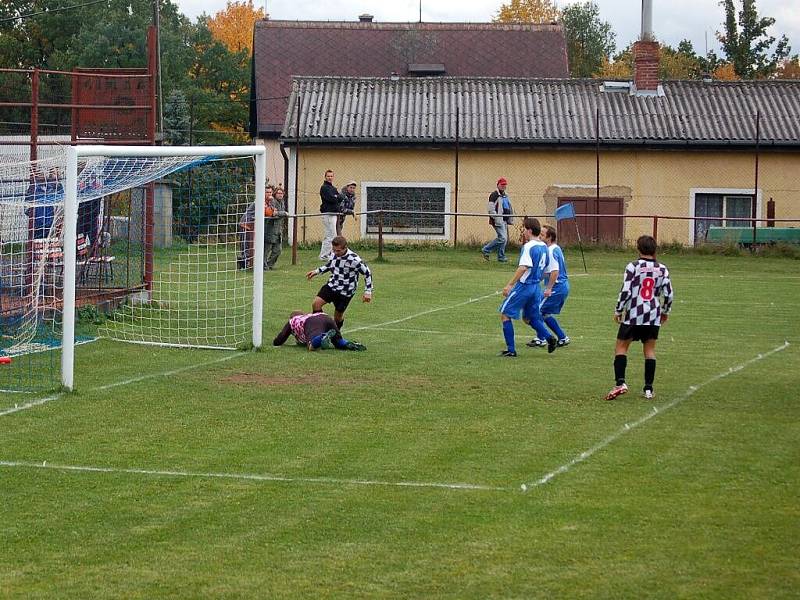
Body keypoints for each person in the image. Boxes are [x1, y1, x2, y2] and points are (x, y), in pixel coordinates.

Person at [605, 235, 673, 401]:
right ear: (654, 249)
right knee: (649, 350)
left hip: (634, 314)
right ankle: (648, 388)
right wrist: (665, 311)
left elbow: (626, 291)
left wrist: (619, 310)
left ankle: (620, 383)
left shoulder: (633, 267)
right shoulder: (662, 269)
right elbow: (669, 293)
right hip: (653, 315)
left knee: (621, 347)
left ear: (638, 248)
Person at [497, 217, 557, 357]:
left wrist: (510, 285)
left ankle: (511, 350)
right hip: (536, 287)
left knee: (505, 314)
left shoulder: (528, 246)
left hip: (524, 287)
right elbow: (546, 270)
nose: (523, 231)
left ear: (529, 230)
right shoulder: (543, 246)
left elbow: (523, 267)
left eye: (524, 228)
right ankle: (549, 338)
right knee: (529, 318)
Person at [306, 236, 372, 331]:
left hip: (345, 291)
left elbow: (367, 273)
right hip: (332, 285)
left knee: (338, 317)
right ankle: (319, 329)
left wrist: (368, 291)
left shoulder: (354, 260)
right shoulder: (334, 254)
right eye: (334, 250)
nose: (336, 253)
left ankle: (335, 335)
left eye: (338, 251)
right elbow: (330, 265)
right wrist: (316, 271)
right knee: (316, 304)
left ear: (345, 248)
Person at [527, 224, 571, 348]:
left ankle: (541, 339)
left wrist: (549, 288)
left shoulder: (550, 251)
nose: (540, 237)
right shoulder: (556, 248)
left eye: (542, 235)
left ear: (549, 237)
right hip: (562, 286)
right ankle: (562, 337)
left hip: (557, 287)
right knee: (544, 312)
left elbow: (555, 271)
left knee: (536, 311)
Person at [273, 310, 366, 351]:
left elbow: (281, 338)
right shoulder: (307, 316)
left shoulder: (293, 321)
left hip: (312, 322)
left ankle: (323, 337)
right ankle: (348, 344)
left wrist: (275, 342)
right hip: (325, 317)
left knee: (311, 346)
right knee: (338, 342)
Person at [238, 185, 275, 271]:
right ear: (263, 193)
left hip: (252, 225)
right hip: (246, 224)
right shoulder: (260, 201)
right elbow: (269, 213)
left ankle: (248, 263)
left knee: (252, 245)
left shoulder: (268, 202)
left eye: (270, 192)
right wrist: (272, 209)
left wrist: (272, 208)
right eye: (267, 192)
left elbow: (271, 211)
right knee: (246, 245)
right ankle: (245, 264)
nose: (269, 194)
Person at [482, 177, 514, 263]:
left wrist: (510, 218)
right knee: (502, 238)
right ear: (498, 185)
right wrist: (496, 218)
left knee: (504, 239)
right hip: (497, 220)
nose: (503, 186)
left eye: (505, 185)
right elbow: (491, 209)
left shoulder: (505, 195)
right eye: (502, 184)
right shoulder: (494, 195)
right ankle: (486, 249)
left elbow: (508, 207)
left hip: (504, 220)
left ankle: (501, 257)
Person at [264, 186, 289, 270]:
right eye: (278, 193)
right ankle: (263, 266)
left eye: (281, 193)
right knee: (266, 249)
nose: (280, 195)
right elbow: (274, 214)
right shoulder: (272, 201)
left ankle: (269, 264)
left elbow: (278, 214)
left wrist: (281, 214)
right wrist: (284, 213)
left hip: (278, 230)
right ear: (275, 194)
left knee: (278, 250)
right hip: (270, 229)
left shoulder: (282, 202)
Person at [319, 169, 341, 260]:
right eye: (328, 176)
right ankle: (324, 255)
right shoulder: (324, 188)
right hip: (328, 213)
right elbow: (331, 199)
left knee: (332, 234)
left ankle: (328, 254)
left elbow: (340, 197)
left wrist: (336, 197)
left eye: (331, 176)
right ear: (325, 177)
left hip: (334, 214)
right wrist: (335, 197)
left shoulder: (333, 188)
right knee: (330, 235)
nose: (330, 178)